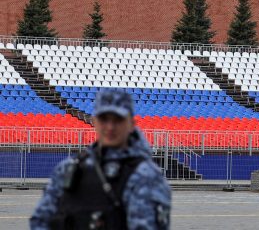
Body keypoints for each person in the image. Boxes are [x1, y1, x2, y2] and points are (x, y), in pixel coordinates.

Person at [31, 88, 172, 230]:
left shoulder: (146, 176)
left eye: (118, 119)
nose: (110, 127)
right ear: (94, 121)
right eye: (104, 119)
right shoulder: (69, 169)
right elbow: (40, 220)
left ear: (131, 124)